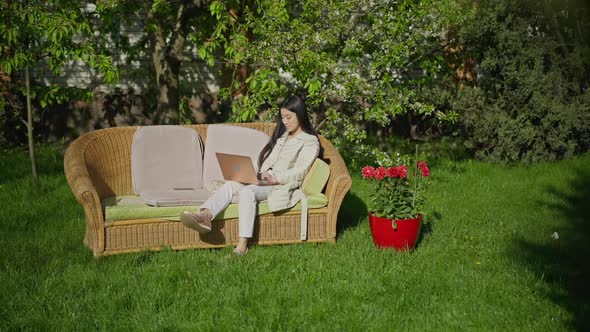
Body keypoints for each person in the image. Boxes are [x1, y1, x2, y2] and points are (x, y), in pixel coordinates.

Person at [180, 95, 321, 256]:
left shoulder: (309, 141)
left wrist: (276, 178)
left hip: (281, 184)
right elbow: (266, 161)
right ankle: (204, 216)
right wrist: (248, 172)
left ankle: (242, 247)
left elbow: (302, 170)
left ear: (300, 115)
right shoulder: (283, 138)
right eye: (282, 118)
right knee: (231, 185)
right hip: (265, 179)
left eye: (289, 117)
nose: (285, 122)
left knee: (248, 192)